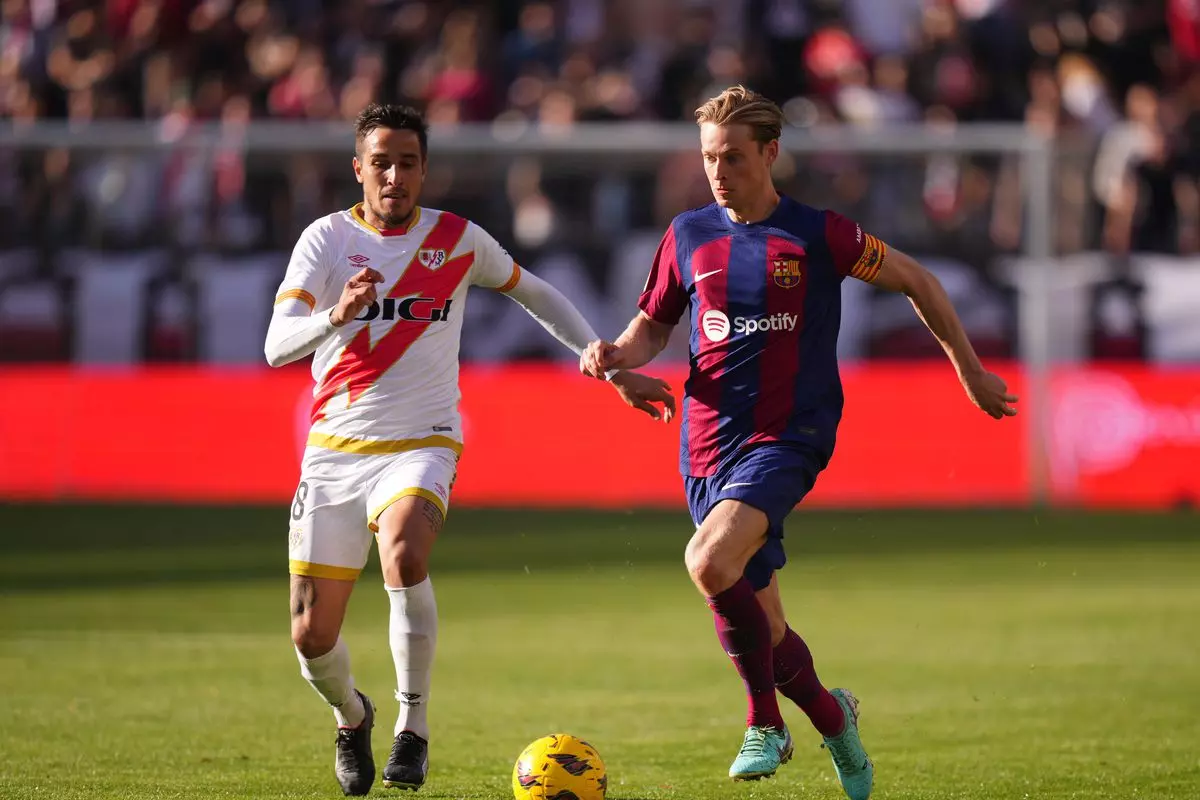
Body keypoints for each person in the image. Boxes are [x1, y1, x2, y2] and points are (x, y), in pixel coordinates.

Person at [579, 85, 1018, 798]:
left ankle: (765, 724)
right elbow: (653, 326)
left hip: (791, 435)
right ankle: (832, 716)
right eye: (707, 158)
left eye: (732, 157)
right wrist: (617, 356)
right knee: (769, 629)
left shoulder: (821, 234)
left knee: (707, 560)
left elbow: (919, 280)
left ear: (771, 153)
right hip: (705, 447)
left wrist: (969, 372)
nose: (717, 172)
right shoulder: (688, 234)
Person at [264, 103, 674, 796]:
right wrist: (337, 315)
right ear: (358, 168)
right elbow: (276, 346)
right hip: (333, 451)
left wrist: (603, 364)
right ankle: (351, 715)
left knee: (404, 551)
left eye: (408, 163)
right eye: (382, 162)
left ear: (425, 170)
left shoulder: (456, 240)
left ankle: (412, 727)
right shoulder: (326, 241)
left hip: (423, 443)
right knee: (310, 637)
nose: (394, 175)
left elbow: (535, 293)